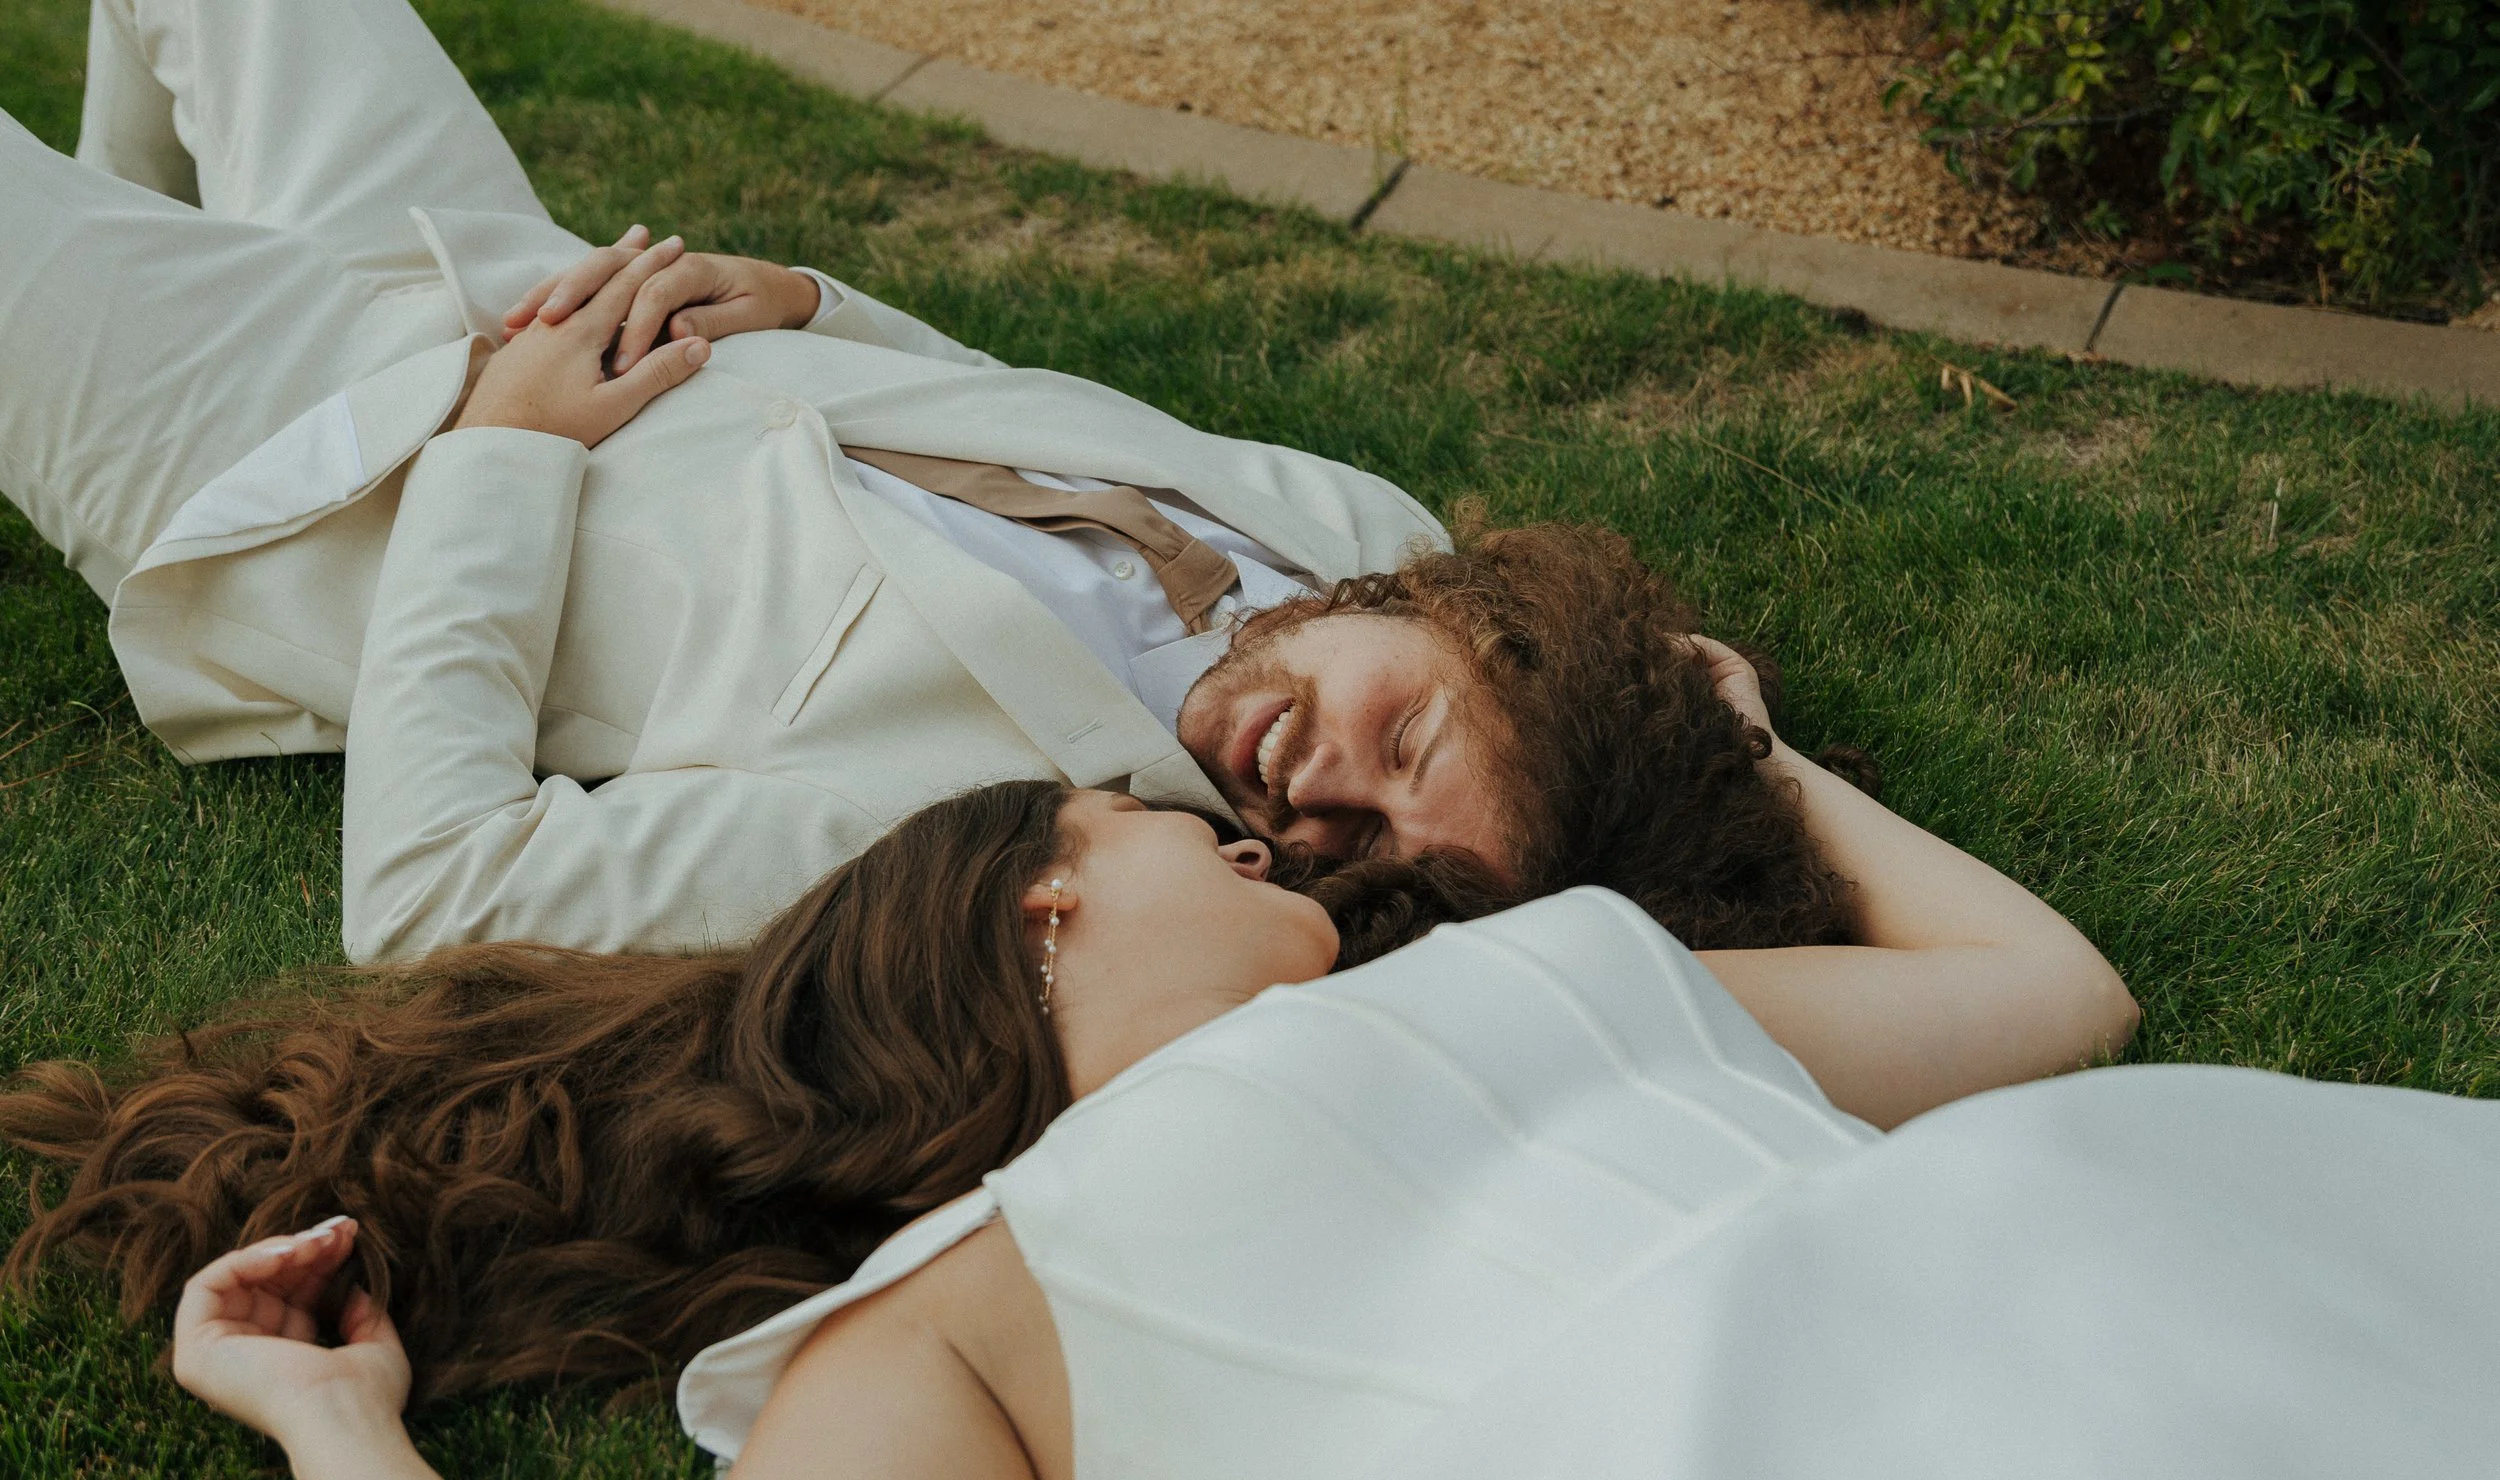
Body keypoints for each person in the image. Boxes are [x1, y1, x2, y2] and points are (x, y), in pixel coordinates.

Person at [6, 648, 2163, 1480]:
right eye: (1159, 821)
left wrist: (1749, 745)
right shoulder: (962, 1311)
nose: (1242, 830)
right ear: (1043, 894)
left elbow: (2050, 997)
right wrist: (334, 1424)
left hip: (2083, 1401)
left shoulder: (1556, 965)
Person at [2, 0, 1857, 965]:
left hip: (308, 463)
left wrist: (499, 461)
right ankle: (117, 252)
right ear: (1471, 622)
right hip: (519, 265)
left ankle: (86, 317)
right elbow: (1011, 439)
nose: (1317, 802)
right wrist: (819, 301)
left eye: (1361, 862)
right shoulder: (1366, 538)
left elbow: (429, 894)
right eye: (1408, 749)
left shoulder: (1018, 844)